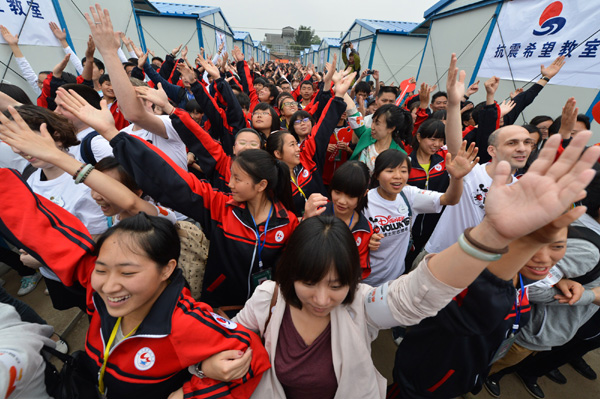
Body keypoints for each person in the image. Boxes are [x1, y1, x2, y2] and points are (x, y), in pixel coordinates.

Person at [197, 127, 600, 396]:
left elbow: (417, 294)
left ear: (353, 282)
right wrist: (207, 366)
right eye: (309, 282)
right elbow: (228, 341)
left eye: (337, 284)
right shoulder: (266, 297)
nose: (322, 299)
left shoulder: (360, 304)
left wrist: (493, 237)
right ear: (288, 274)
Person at [363, 143, 477, 287]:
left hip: (395, 280)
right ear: (377, 174)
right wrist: (366, 239)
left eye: (403, 171)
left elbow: (450, 199)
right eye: (390, 171)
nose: (398, 176)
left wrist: (456, 178)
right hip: (364, 280)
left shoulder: (409, 195)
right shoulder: (364, 201)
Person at [304, 161, 374, 279]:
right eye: (337, 192)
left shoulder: (364, 231)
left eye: (350, 196)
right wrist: (305, 221)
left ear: (364, 194)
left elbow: (360, 270)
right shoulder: (317, 213)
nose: (341, 201)